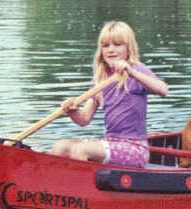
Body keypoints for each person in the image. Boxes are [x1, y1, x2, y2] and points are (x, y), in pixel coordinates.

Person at [51, 21, 169, 167]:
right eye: (106, 46)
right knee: (59, 147)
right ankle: (59, 187)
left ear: (128, 48)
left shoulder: (136, 70)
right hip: (110, 143)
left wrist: (131, 73)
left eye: (117, 44)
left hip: (135, 149)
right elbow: (84, 119)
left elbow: (163, 90)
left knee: (80, 150)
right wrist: (72, 110)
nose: (111, 50)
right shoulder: (101, 79)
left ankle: (82, 187)